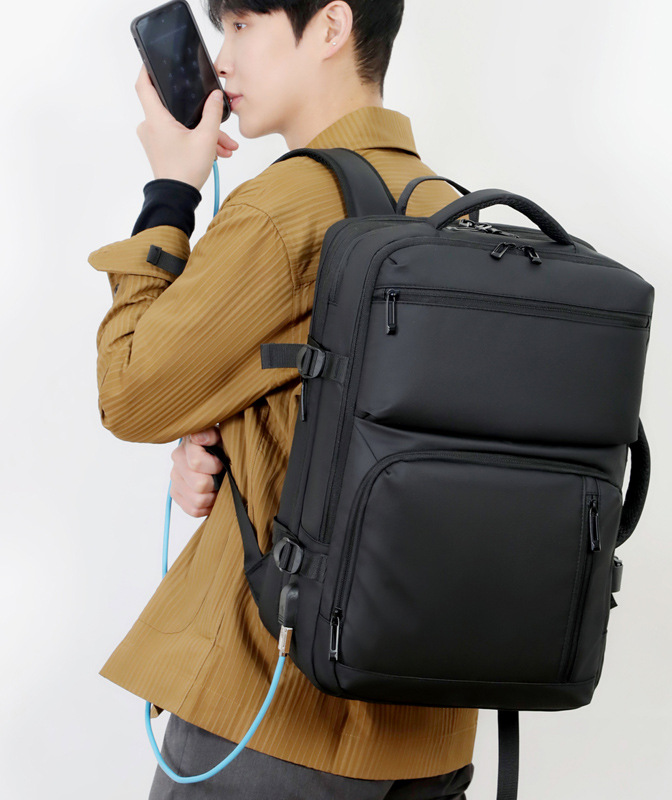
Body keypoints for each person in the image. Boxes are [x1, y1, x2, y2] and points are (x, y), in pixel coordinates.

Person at [88, 1, 478, 797]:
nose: (221, 60)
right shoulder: (450, 210)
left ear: (331, 27)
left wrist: (170, 189)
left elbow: (128, 392)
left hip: (279, 710)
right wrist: (230, 434)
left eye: (241, 25)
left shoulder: (286, 207)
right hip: (431, 726)